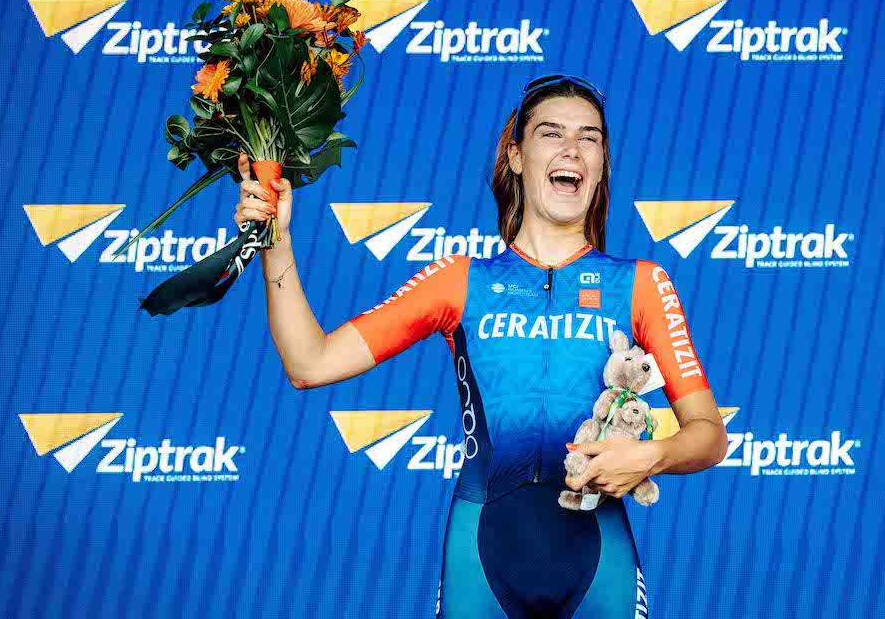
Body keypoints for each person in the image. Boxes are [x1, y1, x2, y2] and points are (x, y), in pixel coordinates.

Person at [235, 74, 728, 618]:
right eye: (551, 134)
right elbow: (310, 363)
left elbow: (709, 435)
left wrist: (649, 455)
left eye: (590, 137)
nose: (572, 148)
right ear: (516, 156)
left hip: (598, 564)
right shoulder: (460, 281)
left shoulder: (641, 284)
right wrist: (275, 242)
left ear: (602, 162)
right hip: (481, 559)